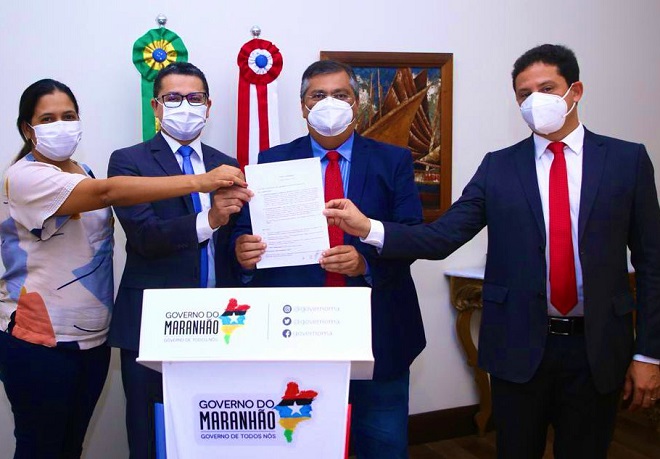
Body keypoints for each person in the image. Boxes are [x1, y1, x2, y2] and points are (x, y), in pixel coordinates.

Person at [324, 44, 660, 458]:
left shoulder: (627, 160)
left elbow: (652, 262)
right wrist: (369, 228)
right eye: (524, 94)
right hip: (518, 344)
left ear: (575, 91)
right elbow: (442, 237)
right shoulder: (499, 166)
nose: (535, 101)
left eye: (547, 88)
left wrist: (648, 353)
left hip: (597, 348)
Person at [0, 78, 245, 459]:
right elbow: (109, 194)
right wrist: (200, 184)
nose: (61, 126)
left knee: (69, 446)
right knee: (40, 447)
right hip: (39, 338)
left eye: (69, 116)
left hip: (91, 339)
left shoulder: (83, 171)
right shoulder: (25, 176)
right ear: (27, 129)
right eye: (48, 119)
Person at [233, 60, 424, 458]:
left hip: (377, 329)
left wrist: (365, 262)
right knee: (301, 444)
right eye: (318, 95)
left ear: (357, 103)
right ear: (303, 107)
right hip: (298, 331)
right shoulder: (271, 161)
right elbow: (243, 232)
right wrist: (243, 252)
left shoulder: (394, 160)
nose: (329, 103)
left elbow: (412, 235)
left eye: (341, 95)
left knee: (383, 444)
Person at [107, 62, 252, 459]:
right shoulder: (128, 162)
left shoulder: (227, 163)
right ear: (156, 106)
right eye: (173, 98)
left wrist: (244, 254)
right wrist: (210, 220)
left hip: (221, 325)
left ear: (209, 106)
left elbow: (234, 240)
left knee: (212, 436)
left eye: (195, 98)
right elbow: (145, 238)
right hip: (152, 324)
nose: (185, 106)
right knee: (149, 436)